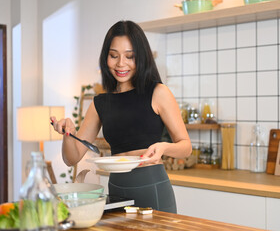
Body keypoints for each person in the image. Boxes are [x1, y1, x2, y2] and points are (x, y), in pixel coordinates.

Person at [51, 20, 192, 213]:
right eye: (113, 56)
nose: (120, 64)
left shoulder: (158, 92)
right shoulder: (100, 103)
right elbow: (71, 158)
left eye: (129, 56)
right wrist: (68, 132)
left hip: (151, 186)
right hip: (116, 188)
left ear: (140, 57)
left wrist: (163, 147)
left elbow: (186, 146)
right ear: (106, 57)